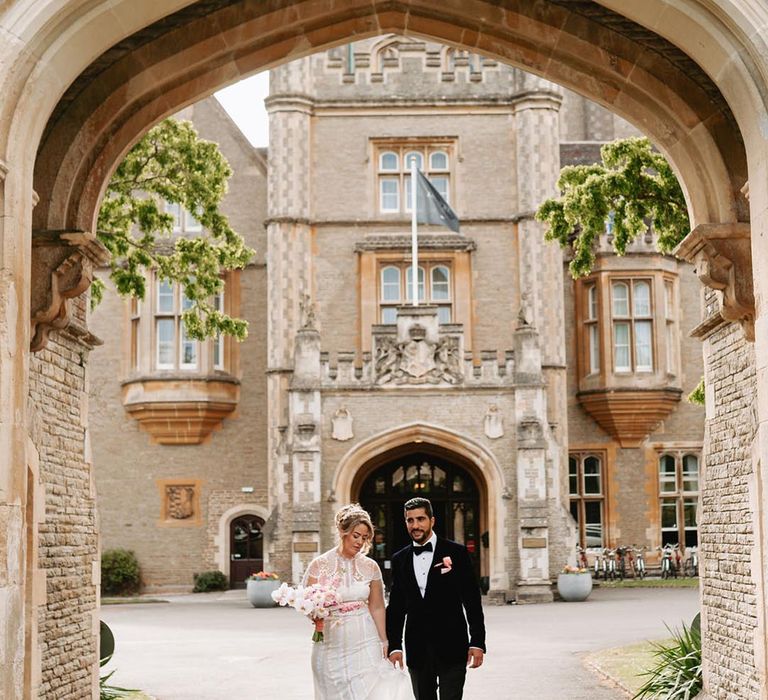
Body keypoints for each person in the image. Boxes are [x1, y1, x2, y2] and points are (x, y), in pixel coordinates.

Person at [302, 503, 413, 700]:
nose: (360, 542)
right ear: (343, 531)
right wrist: (315, 612)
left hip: (365, 638)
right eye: (356, 536)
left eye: (364, 537)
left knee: (367, 691)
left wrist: (384, 640)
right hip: (330, 640)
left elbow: (377, 606)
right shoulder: (319, 565)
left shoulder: (370, 567)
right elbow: (308, 603)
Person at [386, 497, 486, 700]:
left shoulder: (456, 553)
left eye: (420, 519)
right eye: (410, 520)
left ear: (432, 520)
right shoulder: (400, 559)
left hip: (453, 646)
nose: (415, 525)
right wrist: (395, 645)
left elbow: (472, 601)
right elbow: (396, 607)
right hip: (417, 650)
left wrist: (477, 642)